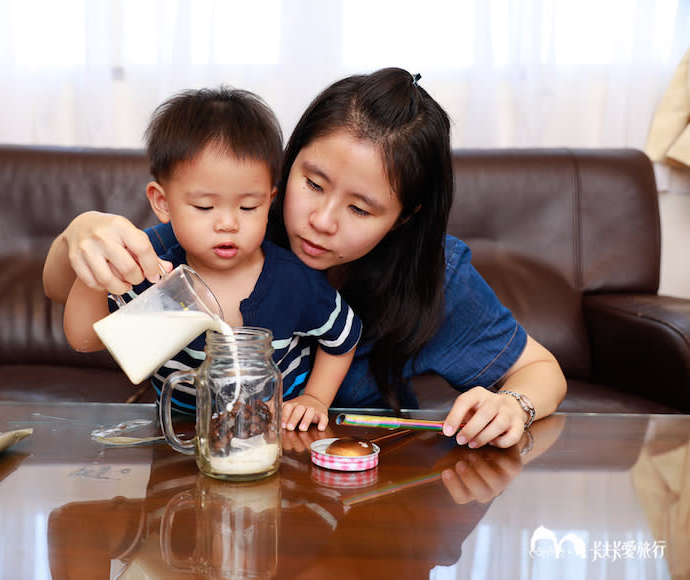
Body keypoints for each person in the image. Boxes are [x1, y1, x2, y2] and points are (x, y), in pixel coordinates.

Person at [44, 68, 567, 448]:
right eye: (312, 183)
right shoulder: (233, 225)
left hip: (355, 490)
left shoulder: (437, 275)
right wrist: (78, 235)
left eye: (361, 209)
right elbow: (59, 292)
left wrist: (513, 405)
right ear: (284, 171)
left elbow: (542, 371)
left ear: (404, 217)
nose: (322, 220)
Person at [60, 86, 362, 431]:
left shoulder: (292, 280)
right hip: (179, 430)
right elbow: (85, 339)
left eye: (249, 207)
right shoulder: (156, 274)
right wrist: (94, 271)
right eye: (204, 207)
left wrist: (315, 398)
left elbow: (344, 337)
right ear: (162, 202)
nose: (228, 224)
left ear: (270, 201)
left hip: (273, 431)